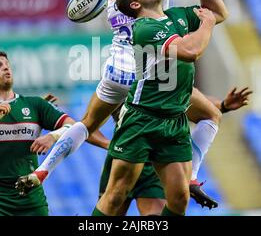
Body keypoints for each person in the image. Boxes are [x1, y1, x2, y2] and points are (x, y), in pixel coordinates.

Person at [15, 0, 241, 207]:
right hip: (150, 71)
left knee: (87, 123)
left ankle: (43, 170)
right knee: (209, 115)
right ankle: (191, 175)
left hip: (116, 69)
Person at [93, 0, 222, 216]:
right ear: (134, 5)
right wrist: (208, 24)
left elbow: (217, 12)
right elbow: (191, 51)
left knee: (180, 198)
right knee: (116, 195)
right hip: (142, 119)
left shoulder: (176, 17)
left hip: (175, 120)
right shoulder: (144, 28)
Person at [0, 51, 82, 216]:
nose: (6, 68)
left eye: (7, 64)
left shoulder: (35, 104)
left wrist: (52, 136)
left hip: (29, 194)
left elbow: (75, 127)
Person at [99, 86, 252, 215]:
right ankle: (190, 178)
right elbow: (87, 126)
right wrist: (109, 144)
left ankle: (189, 178)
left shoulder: (168, 76)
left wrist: (223, 105)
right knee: (112, 205)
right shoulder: (121, 77)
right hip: (124, 155)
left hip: (152, 163)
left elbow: (197, 103)